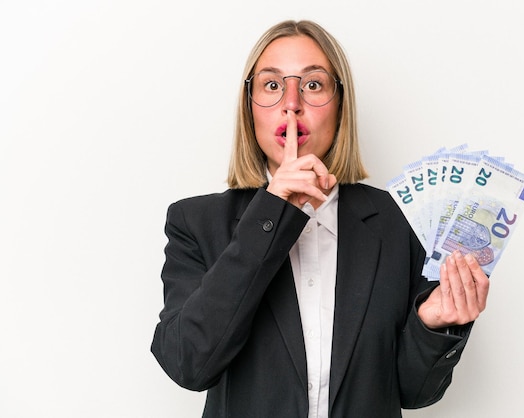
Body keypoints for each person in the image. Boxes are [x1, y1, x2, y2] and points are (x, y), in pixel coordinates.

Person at [151, 19, 490, 418]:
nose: (291, 102)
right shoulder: (195, 222)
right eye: (272, 85)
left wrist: (432, 324)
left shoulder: (400, 222)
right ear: (249, 106)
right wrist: (272, 214)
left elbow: (413, 393)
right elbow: (188, 363)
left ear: (340, 105)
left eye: (313, 85)